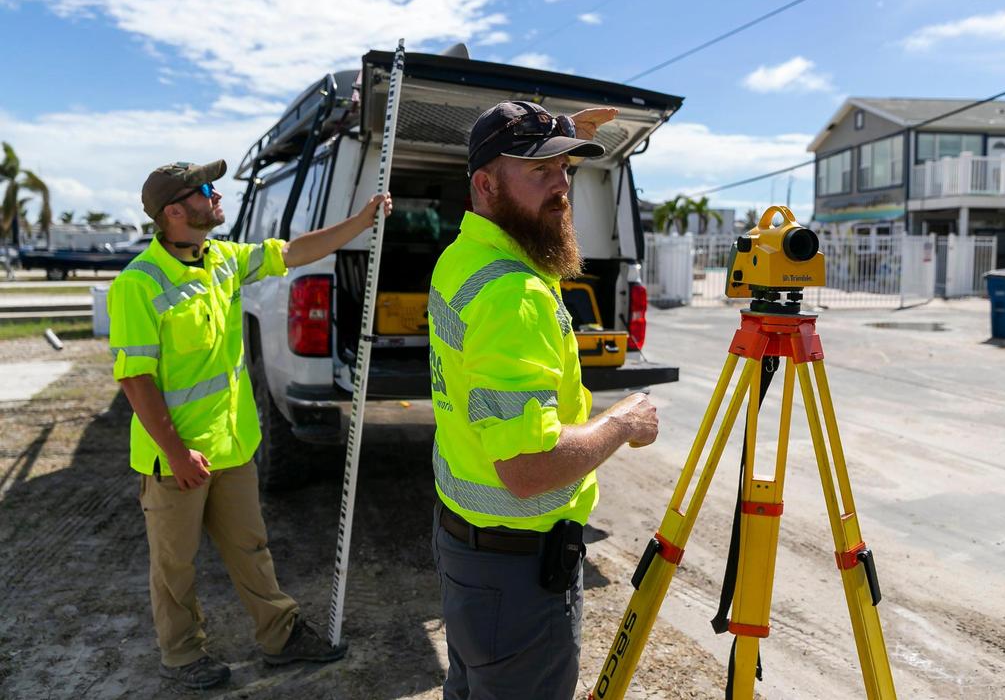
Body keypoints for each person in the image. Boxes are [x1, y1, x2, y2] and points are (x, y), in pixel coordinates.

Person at [107, 159, 392, 690]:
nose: (219, 195)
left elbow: (296, 250)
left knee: (251, 551)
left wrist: (361, 221)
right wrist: (174, 454)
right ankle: (183, 656)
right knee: (175, 568)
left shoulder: (223, 260)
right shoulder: (138, 284)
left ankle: (280, 637)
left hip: (233, 447)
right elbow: (137, 380)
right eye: (206, 190)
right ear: (175, 211)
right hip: (175, 460)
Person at [428, 101, 660, 698]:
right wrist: (622, 423)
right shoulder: (515, 295)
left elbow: (537, 233)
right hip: (517, 572)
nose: (561, 187)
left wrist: (559, 140)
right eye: (540, 172)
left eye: (566, 170)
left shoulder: (467, 256)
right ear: (485, 185)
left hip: (470, 551)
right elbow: (528, 470)